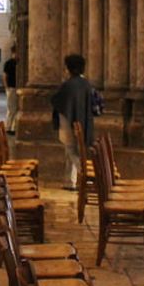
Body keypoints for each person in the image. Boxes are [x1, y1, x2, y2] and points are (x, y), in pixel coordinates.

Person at [51, 53, 95, 190]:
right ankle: (70, 180)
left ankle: (84, 173)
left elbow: (56, 100)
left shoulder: (69, 85)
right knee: (71, 150)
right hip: (82, 121)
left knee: (71, 150)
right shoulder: (86, 84)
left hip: (68, 122)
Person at [4, 46, 19, 134]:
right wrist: (7, 88)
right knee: (11, 109)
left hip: (17, 88)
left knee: (16, 109)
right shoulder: (9, 63)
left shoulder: (19, 63)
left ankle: (13, 127)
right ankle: (8, 127)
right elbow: (5, 76)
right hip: (11, 88)